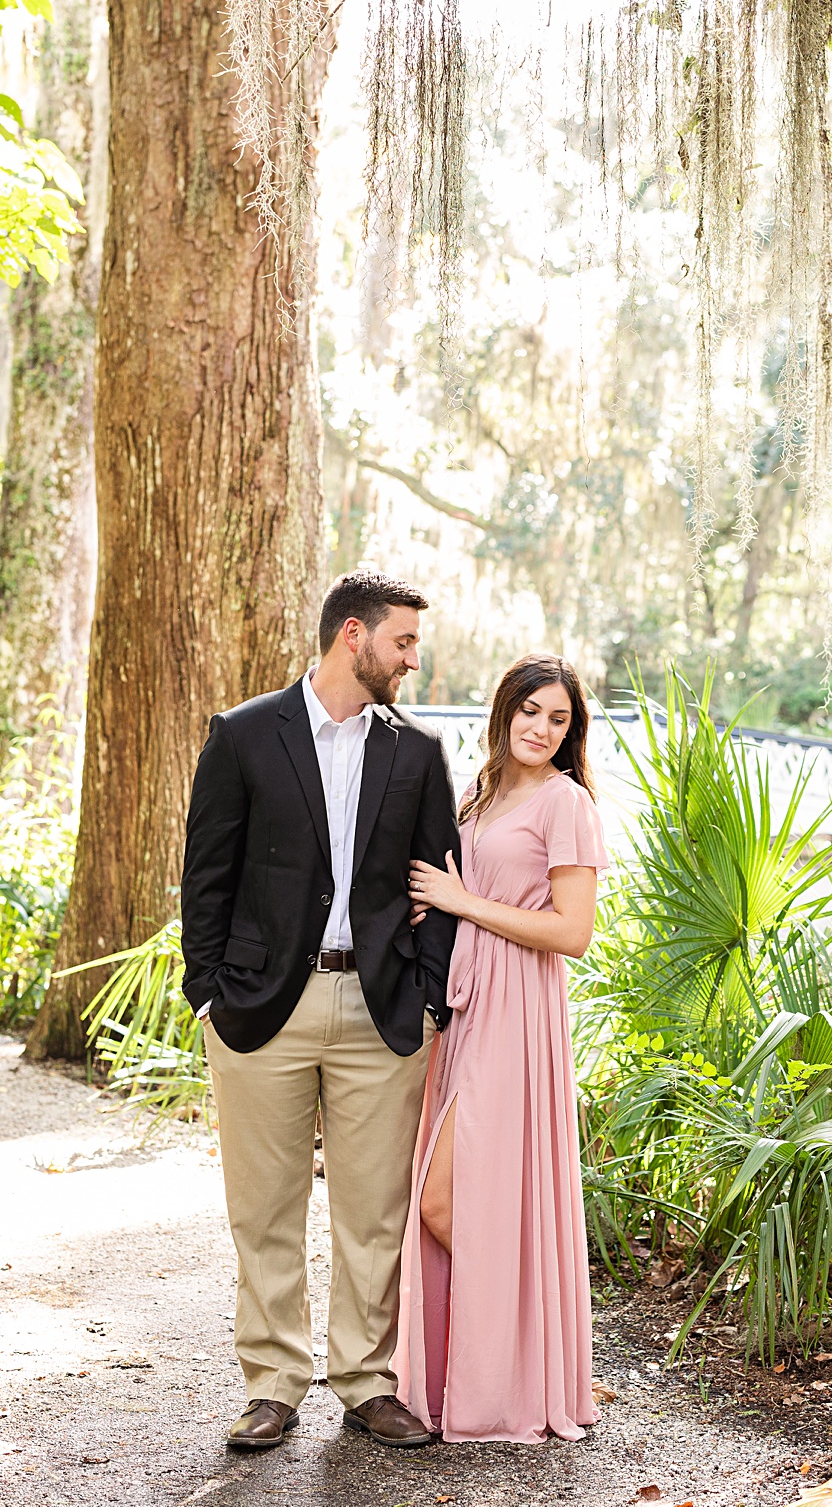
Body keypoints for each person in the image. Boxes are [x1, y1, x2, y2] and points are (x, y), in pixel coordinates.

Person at [180, 571, 460, 1453]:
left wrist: (425, 999)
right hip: (262, 1007)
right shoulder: (243, 733)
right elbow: (206, 877)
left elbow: (439, 887)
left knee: (372, 1213)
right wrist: (209, 995)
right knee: (263, 1208)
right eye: (404, 642)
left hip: (380, 1011)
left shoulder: (417, 755)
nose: (414, 660)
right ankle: (272, 1384)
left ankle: (366, 1383)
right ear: (354, 635)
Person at [397, 652, 607, 1444]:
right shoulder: (481, 792)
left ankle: (519, 1357)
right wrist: (436, 913)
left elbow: (573, 932)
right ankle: (502, 1354)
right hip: (469, 1006)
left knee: (444, 1199)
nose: (541, 729)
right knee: (456, 1194)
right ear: (504, 711)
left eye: (559, 719)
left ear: (570, 731)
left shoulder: (566, 803)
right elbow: (450, 893)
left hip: (522, 1010)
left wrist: (463, 900)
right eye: (531, 712)